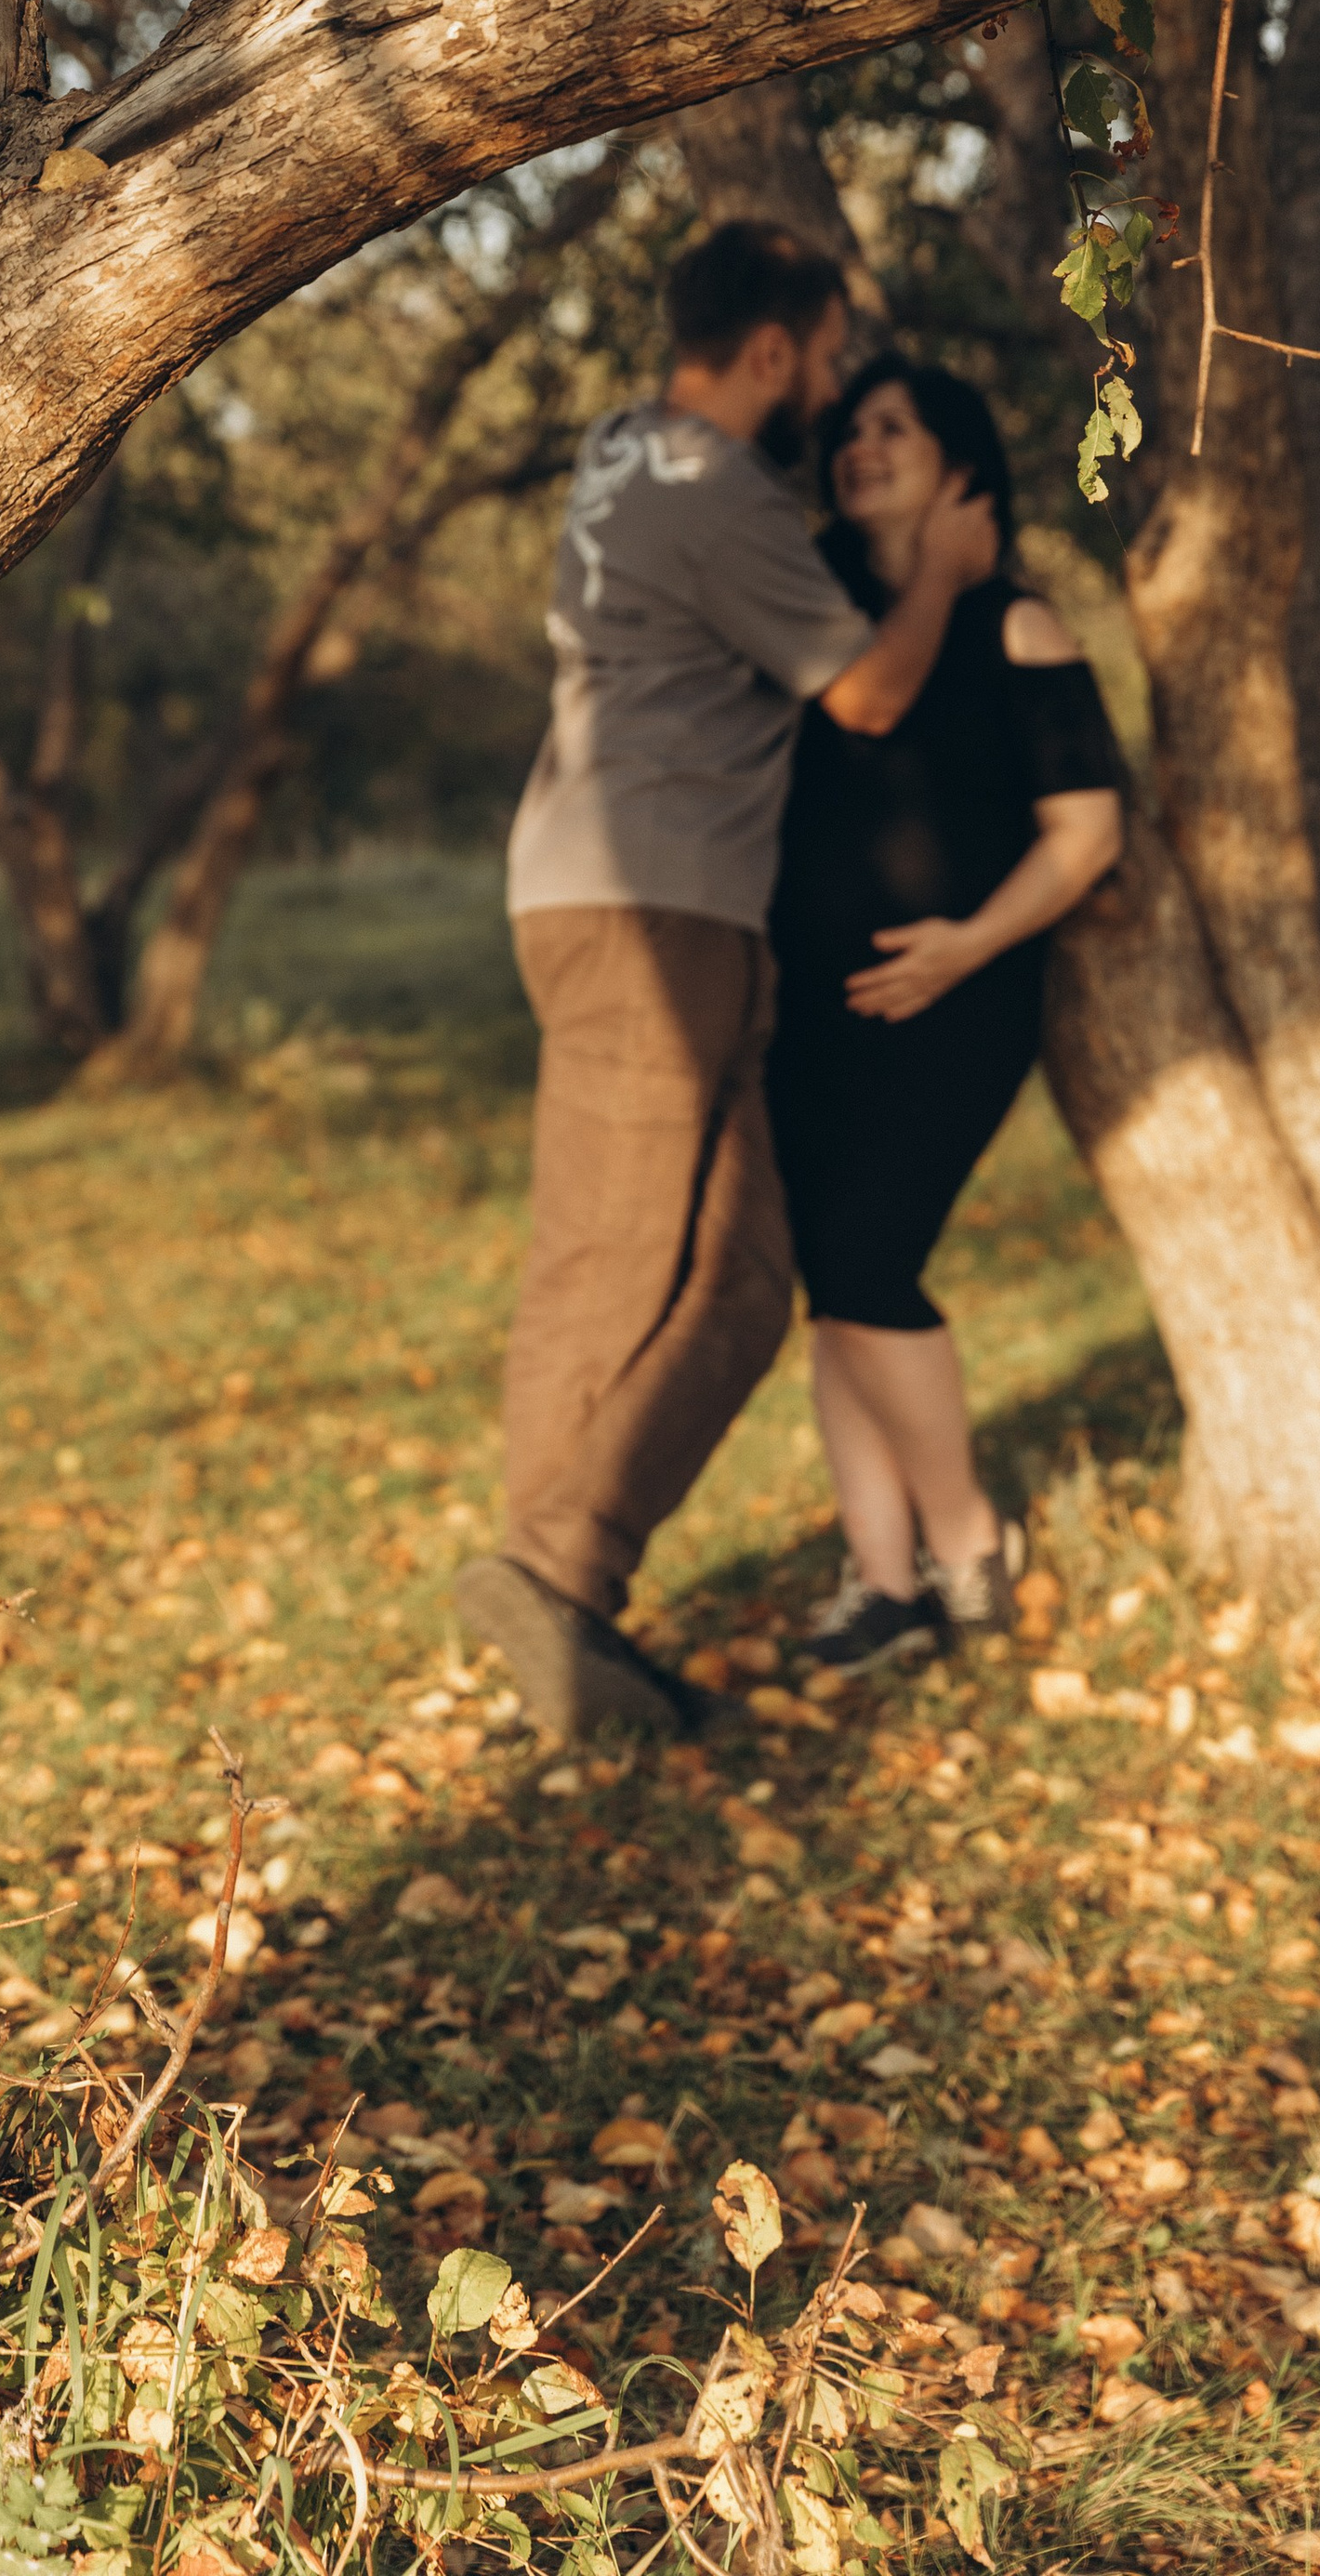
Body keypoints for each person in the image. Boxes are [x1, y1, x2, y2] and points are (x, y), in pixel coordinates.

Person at [455, 226, 998, 1737]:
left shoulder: (621, 451)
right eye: (827, 359)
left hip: (642, 892)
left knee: (747, 1275)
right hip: (648, 901)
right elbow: (873, 691)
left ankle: (551, 1603)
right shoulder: (718, 490)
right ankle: (555, 1589)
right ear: (774, 350)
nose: (831, 390)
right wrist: (945, 573)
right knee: (613, 1262)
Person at [765, 354, 1126, 1675]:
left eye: (894, 429)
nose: (860, 445)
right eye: (849, 430)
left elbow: (1087, 833)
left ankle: (968, 1546)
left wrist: (964, 949)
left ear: (963, 463)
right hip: (805, 1011)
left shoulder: (1016, 624)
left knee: (866, 1265)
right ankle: (879, 1583)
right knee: (835, 1292)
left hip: (956, 1006)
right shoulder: (812, 618)